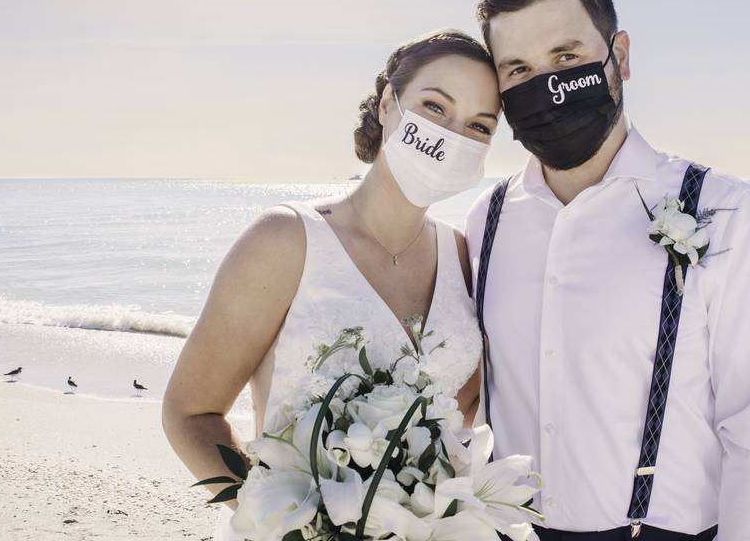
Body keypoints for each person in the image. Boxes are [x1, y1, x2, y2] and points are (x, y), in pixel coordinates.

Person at [466, 0, 750, 540]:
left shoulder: (725, 211)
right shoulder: (486, 222)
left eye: (567, 57)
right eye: (518, 69)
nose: (546, 85)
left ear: (619, 56)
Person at [161, 29, 499, 540]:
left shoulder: (463, 256)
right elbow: (190, 412)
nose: (452, 135)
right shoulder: (285, 239)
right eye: (435, 107)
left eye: (479, 124)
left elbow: (459, 420)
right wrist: (295, 524)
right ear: (389, 103)